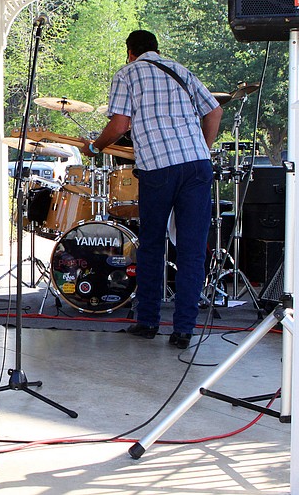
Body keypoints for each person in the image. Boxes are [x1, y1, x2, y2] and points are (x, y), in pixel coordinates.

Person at [79, 30, 222, 350]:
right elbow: (214, 112)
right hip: (197, 166)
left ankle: (147, 322)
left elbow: (119, 126)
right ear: (156, 49)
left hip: (159, 168)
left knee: (152, 246)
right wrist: (203, 150)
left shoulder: (128, 73)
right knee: (192, 251)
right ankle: (184, 330)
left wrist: (94, 146)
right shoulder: (180, 70)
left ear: (130, 52)